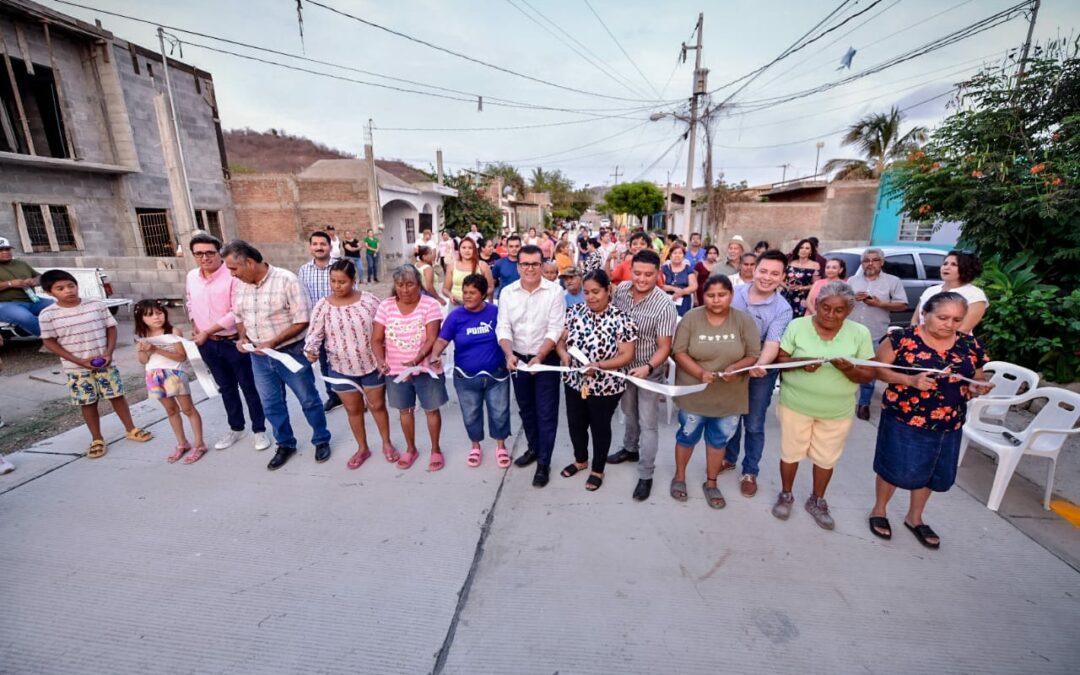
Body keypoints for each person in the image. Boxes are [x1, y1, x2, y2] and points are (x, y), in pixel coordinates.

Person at [869, 291, 993, 547]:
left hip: (949, 421)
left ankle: (915, 517)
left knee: (933, 471)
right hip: (904, 418)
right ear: (925, 313)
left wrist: (977, 386)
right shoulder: (901, 339)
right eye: (943, 317)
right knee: (892, 465)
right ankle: (879, 510)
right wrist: (909, 380)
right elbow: (878, 370)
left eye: (956, 319)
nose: (949, 324)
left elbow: (977, 375)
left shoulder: (970, 346)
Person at [771, 281, 876, 529]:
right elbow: (781, 358)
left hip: (836, 411)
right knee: (790, 453)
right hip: (796, 405)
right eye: (825, 307)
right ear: (816, 305)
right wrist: (801, 362)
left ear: (849, 311)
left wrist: (850, 369)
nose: (830, 314)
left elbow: (870, 373)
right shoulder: (798, 325)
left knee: (826, 458)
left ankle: (817, 500)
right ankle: (786, 494)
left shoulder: (859, 333)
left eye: (838, 310)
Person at [223, 240, 331, 471]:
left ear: (250, 263)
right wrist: (242, 338)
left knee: (309, 399)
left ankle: (321, 439)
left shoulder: (286, 280)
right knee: (271, 404)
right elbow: (239, 317)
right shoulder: (241, 285)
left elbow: (303, 319)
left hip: (290, 353)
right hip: (259, 358)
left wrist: (272, 342)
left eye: (234, 268)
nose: (232, 274)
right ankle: (285, 444)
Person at [38, 269, 153, 459]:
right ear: (50, 293)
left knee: (117, 396)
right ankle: (97, 438)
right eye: (60, 288)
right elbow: (49, 341)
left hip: (105, 364)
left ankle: (131, 429)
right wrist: (78, 361)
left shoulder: (95, 305)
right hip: (76, 369)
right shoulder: (48, 315)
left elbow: (111, 328)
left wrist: (108, 353)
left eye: (71, 286)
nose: (68, 291)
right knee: (88, 402)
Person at [671, 275, 761, 507]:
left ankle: (711, 483)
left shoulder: (743, 320)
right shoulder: (692, 318)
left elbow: (753, 354)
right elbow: (679, 351)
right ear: (703, 296)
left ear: (731, 295)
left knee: (718, 441)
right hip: (695, 395)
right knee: (687, 436)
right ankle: (679, 476)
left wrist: (736, 368)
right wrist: (700, 373)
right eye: (710, 295)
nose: (716, 300)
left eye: (722, 295)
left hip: (729, 397)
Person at [303, 259, 396, 470]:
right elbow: (314, 335)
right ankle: (362, 448)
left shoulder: (369, 301)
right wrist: (311, 350)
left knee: (378, 406)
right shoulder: (323, 306)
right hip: (340, 368)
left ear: (354, 280)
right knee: (353, 410)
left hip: (371, 364)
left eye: (342, 282)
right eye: (333, 281)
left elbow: (385, 328)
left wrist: (389, 355)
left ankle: (387, 443)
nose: (337, 286)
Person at [185, 232, 269, 452]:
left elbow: (235, 312)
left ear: (219, 253)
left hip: (233, 342)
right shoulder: (192, 277)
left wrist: (208, 330)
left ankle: (259, 430)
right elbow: (190, 302)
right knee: (226, 388)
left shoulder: (233, 276)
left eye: (209, 253)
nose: (204, 258)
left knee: (248, 387)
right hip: (207, 344)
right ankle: (236, 427)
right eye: (199, 254)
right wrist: (195, 325)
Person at [556, 269, 637, 492]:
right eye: (586, 292)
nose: (590, 297)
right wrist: (563, 354)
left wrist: (599, 366)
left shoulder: (622, 319)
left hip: (606, 385)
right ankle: (581, 460)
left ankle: (598, 468)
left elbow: (626, 355)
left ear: (608, 290)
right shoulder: (574, 312)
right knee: (576, 423)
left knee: (599, 426)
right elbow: (561, 341)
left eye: (596, 292)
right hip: (574, 380)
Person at [608, 249, 678, 502]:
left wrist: (648, 367)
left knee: (648, 423)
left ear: (657, 274)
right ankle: (629, 449)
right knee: (629, 413)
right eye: (637, 272)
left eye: (648, 274)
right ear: (631, 270)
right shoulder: (622, 292)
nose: (642, 279)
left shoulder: (664, 304)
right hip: (623, 369)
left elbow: (665, 346)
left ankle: (646, 474)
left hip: (649, 370)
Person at [722, 250, 794, 498]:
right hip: (731, 364)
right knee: (731, 417)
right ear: (754, 269)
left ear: (783, 276)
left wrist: (759, 365)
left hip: (760, 372)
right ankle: (729, 458)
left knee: (753, 423)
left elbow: (772, 344)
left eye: (775, 273)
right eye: (763, 271)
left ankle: (750, 471)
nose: (767, 277)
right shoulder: (734, 294)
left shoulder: (783, 309)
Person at [496, 244, 566, 487]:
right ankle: (534, 448)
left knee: (546, 412)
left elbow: (555, 328)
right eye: (525, 264)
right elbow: (503, 326)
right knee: (526, 408)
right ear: (518, 267)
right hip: (517, 358)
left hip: (545, 359)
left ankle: (544, 463)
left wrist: (541, 355)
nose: (530, 268)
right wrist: (508, 354)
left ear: (542, 265)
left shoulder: (555, 292)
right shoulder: (507, 292)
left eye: (535, 264)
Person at [429, 274, 511, 469]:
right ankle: (475, 446)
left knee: (499, 413)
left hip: (496, 375)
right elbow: (442, 339)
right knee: (471, 414)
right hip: (466, 378)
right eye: (465, 292)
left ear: (483, 294)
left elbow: (507, 334)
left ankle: (501, 447)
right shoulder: (455, 316)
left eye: (472, 293)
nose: (467, 296)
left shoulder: (496, 312)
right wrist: (435, 354)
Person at [373, 265, 448, 471]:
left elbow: (433, 338)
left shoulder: (430, 305)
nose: (405, 290)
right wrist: (380, 360)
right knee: (404, 411)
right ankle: (411, 449)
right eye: (400, 285)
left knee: (431, 410)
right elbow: (376, 339)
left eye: (410, 284)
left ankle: (435, 450)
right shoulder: (386, 306)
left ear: (418, 284)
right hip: (396, 372)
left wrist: (416, 360)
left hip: (425, 369)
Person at [133, 300, 206, 464]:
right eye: (150, 315)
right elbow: (143, 361)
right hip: (153, 375)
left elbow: (182, 356)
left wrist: (156, 349)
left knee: (188, 409)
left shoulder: (173, 331)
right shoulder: (143, 337)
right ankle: (182, 443)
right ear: (141, 318)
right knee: (171, 411)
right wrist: (142, 350)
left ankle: (199, 444)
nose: (156, 317)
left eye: (159, 312)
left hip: (174, 373)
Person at [846, 248, 907, 421]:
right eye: (866, 260)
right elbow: (843, 301)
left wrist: (880, 304)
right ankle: (844, 399)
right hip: (850, 331)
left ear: (882, 262)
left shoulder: (892, 281)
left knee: (869, 369)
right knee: (845, 366)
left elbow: (902, 305)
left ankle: (864, 403)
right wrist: (852, 299)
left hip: (874, 333)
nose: (870, 264)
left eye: (874, 260)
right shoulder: (852, 280)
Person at [298, 231, 344, 412]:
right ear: (310, 247)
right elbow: (302, 298)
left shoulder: (340, 266)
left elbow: (353, 292)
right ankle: (334, 396)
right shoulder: (304, 270)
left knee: (345, 360)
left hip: (340, 324)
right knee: (324, 364)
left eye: (322, 244)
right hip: (317, 327)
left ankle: (355, 396)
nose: (319, 247)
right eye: (315, 244)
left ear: (330, 247)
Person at [913, 250, 988, 333]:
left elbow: (963, 330)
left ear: (966, 268)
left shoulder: (975, 295)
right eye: (945, 264)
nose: (946, 267)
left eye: (954, 264)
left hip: (953, 344)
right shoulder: (930, 290)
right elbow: (915, 320)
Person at [0, 237, 54, 336]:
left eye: (7, 249)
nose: (5, 252)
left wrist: (34, 281)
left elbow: (40, 277)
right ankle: (51, 340)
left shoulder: (20, 263)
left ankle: (75, 333)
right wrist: (10, 284)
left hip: (33, 301)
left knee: (60, 306)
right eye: (1, 250)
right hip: (5, 304)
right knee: (25, 317)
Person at [782, 238, 821, 318]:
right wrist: (787, 287)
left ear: (811, 251)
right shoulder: (790, 263)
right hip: (786, 296)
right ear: (797, 249)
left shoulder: (815, 265)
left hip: (803, 299)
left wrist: (802, 288)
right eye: (801, 247)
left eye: (807, 248)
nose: (803, 250)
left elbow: (816, 284)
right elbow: (779, 279)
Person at [661, 241, 697, 317]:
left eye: (680, 253)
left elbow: (693, 286)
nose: (677, 255)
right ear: (670, 256)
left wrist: (681, 292)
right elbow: (661, 285)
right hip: (666, 301)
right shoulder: (664, 269)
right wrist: (674, 289)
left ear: (684, 256)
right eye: (675, 253)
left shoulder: (688, 269)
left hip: (684, 302)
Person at [491, 235, 521, 299]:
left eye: (517, 246)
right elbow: (492, 282)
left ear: (521, 247)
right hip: (504, 299)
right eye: (511, 246)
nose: (514, 249)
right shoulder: (499, 263)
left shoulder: (527, 263)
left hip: (522, 298)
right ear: (506, 247)